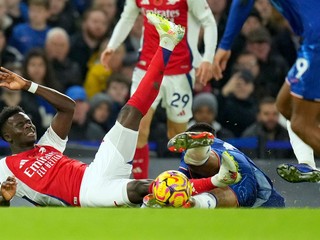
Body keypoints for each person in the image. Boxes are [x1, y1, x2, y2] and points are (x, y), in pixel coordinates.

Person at [0, 13, 239, 207]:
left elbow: (68, 108)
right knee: (146, 187)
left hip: (96, 170)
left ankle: (168, 41)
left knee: (130, 114)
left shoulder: (47, 145)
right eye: (20, 124)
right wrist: (4, 199)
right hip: (86, 196)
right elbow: (3, 203)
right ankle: (217, 180)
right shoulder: (5, 166)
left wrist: (28, 85)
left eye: (28, 120)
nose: (28, 124)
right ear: (8, 136)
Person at [100, 0, 217, 179]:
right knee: (137, 127)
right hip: (146, 68)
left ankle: (196, 182)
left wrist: (208, 58)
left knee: (177, 135)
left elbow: (208, 21)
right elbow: (127, 17)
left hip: (179, 71)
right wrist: (112, 46)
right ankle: (139, 191)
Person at [212, 0, 320, 183]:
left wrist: (225, 45)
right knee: (285, 105)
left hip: (316, 40)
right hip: (310, 40)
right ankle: (308, 165)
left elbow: (242, 3)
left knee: (301, 124)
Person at [167, 122, 285, 208]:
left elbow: (177, 186)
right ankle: (201, 153)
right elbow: (182, 187)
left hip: (263, 199)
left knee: (215, 188)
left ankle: (200, 152)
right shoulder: (224, 147)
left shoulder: (187, 152)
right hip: (238, 168)